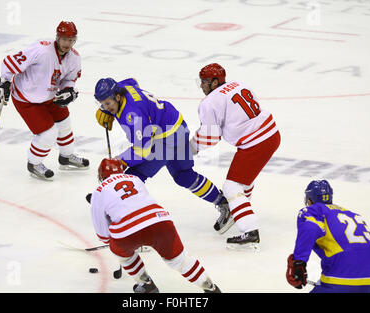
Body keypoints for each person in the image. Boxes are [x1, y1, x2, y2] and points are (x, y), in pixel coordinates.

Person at [93, 77, 232, 233]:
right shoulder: (121, 87)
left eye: (108, 103)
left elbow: (142, 151)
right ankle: (224, 203)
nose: (106, 107)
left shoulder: (133, 116)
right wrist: (106, 109)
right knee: (183, 175)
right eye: (102, 104)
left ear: (118, 97)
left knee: (134, 176)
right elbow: (133, 81)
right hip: (177, 125)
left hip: (166, 139)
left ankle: (131, 224)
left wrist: (119, 161)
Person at [89, 158, 221, 293]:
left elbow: (103, 234)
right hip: (159, 221)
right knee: (180, 260)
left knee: (123, 254)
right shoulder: (135, 179)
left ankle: (146, 285)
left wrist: (113, 243)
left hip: (126, 233)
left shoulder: (98, 191)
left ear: (101, 175)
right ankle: (211, 287)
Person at [190, 63, 281, 248]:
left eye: (205, 82)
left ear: (215, 82)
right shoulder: (239, 85)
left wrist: (191, 147)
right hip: (272, 134)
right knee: (244, 181)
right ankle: (239, 209)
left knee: (232, 186)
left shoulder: (209, 102)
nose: (202, 86)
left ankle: (250, 230)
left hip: (256, 142)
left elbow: (210, 137)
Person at [0, 21, 89, 180]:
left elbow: (69, 80)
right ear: (57, 37)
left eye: (72, 40)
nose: (68, 43)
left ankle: (66, 156)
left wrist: (68, 91)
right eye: (65, 39)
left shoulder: (74, 58)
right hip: (27, 98)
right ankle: (34, 163)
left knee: (64, 123)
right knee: (48, 134)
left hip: (50, 97)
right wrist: (4, 81)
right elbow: (10, 61)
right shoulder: (41, 50)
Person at [286, 180, 370, 293]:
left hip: (344, 273)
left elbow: (311, 228)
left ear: (309, 199)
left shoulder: (314, 210)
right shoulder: (351, 213)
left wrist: (299, 262)